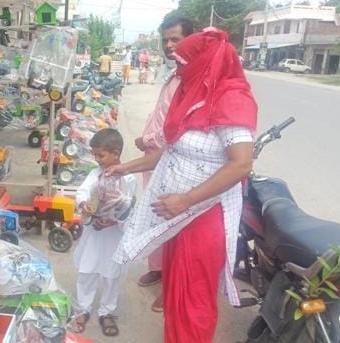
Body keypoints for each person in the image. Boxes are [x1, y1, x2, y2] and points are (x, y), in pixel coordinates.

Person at [108, 28, 257, 343]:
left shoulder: (231, 97)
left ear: (203, 63)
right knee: (175, 294)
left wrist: (187, 200)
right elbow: (170, 151)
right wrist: (125, 168)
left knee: (193, 301)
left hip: (204, 217)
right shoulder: (195, 95)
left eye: (183, 62)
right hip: (177, 216)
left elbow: (241, 163)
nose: (178, 69)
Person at [133, 17, 193, 312]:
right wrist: (145, 138)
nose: (169, 46)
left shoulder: (192, 78)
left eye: (176, 39)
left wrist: (149, 140)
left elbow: (176, 125)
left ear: (191, 40)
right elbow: (160, 113)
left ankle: (172, 284)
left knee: (171, 219)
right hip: (153, 156)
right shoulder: (174, 74)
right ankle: (158, 267)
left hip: (172, 160)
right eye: (165, 40)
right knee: (154, 214)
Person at [72, 129, 137, 337]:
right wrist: (83, 204)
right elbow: (83, 191)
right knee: (86, 271)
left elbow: (129, 207)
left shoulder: (129, 179)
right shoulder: (95, 174)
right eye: (95, 155)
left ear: (116, 153)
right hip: (93, 233)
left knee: (111, 276)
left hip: (114, 235)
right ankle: (83, 308)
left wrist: (115, 220)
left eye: (101, 155)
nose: (97, 159)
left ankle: (107, 311)